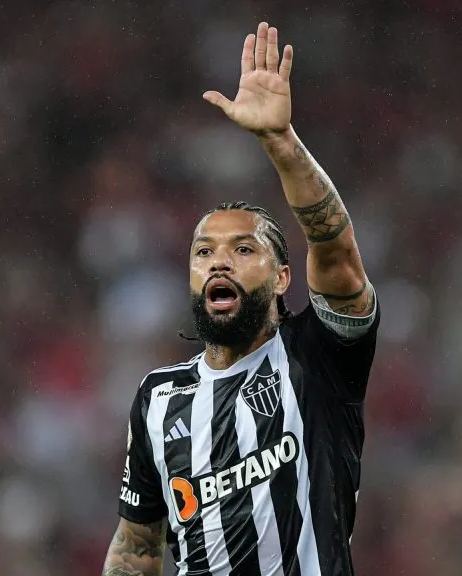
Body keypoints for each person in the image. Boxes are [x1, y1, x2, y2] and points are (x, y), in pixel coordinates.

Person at [101, 22, 379, 576]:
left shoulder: (318, 357)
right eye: (203, 253)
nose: (218, 262)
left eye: (242, 249)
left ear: (280, 278)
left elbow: (335, 248)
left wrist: (282, 143)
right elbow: (136, 546)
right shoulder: (158, 399)